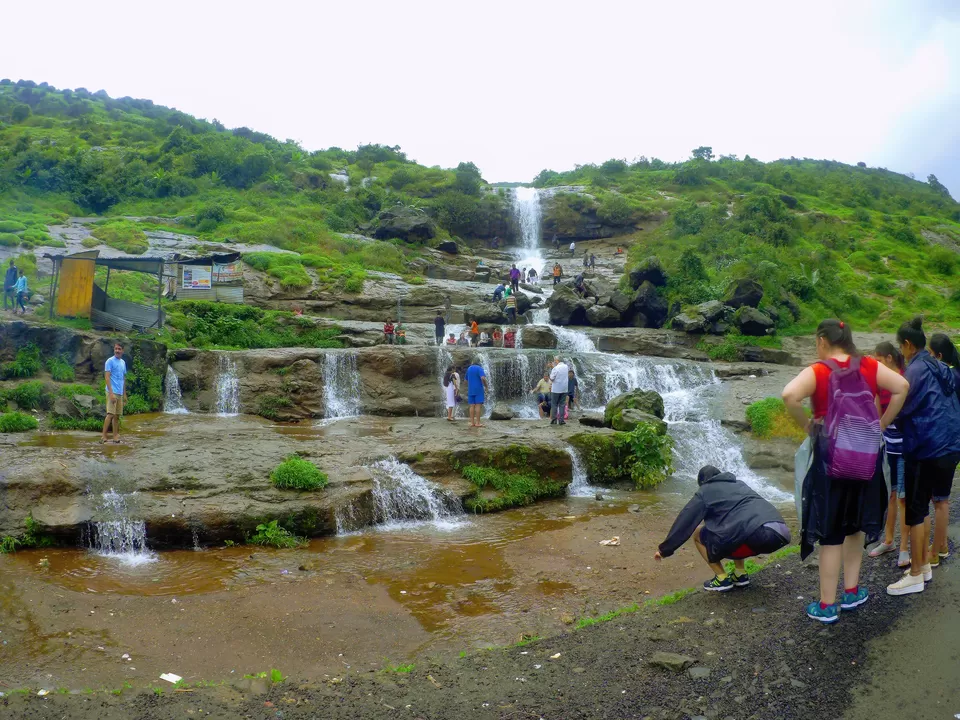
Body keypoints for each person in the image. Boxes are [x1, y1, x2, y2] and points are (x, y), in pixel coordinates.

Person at [782, 319, 908, 621]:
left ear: (823, 340)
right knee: (856, 527)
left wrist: (808, 425)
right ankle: (852, 593)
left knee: (830, 531)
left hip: (830, 454)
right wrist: (882, 424)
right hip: (864, 450)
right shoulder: (867, 365)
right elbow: (902, 387)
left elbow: (789, 395)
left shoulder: (820, 370)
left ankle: (827, 606)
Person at [887, 317, 960, 596]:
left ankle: (916, 574)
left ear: (907, 345)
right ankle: (925, 566)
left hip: (926, 447)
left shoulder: (914, 370)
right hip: (950, 446)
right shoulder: (941, 366)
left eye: (901, 347)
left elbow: (903, 407)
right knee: (933, 502)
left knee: (916, 512)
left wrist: (882, 421)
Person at [654, 465, 791, 591]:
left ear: (702, 482)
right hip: (780, 532)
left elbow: (685, 520)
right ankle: (740, 574)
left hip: (758, 534)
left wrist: (665, 549)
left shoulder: (705, 491)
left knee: (697, 534)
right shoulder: (739, 484)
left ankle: (722, 578)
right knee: (735, 524)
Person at [868, 342, 909, 567]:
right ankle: (889, 540)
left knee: (903, 498)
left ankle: (904, 548)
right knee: (891, 495)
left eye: (879, 360)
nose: (877, 364)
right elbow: (877, 415)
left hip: (904, 447)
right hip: (888, 446)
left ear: (890, 358)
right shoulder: (880, 382)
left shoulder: (902, 380)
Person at [100, 343, 127, 445]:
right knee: (110, 414)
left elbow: (123, 378)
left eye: (119, 349)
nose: (117, 351)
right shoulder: (110, 361)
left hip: (119, 392)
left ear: (122, 350)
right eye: (116, 349)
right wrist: (111, 394)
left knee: (117, 416)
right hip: (112, 391)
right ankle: (103, 436)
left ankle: (115, 436)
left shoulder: (123, 363)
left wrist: (124, 394)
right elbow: (107, 377)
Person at [929, 333, 960, 403]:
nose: (929, 356)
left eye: (930, 352)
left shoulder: (947, 377)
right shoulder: (955, 369)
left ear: (939, 356)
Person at [465, 358, 488, 428]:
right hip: (478, 389)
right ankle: (478, 423)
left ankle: (472, 422)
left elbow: (465, 381)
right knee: (478, 406)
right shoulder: (479, 368)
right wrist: (486, 386)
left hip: (471, 389)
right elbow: (483, 378)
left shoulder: (469, 369)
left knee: (472, 406)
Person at [549, 356, 569, 426]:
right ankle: (561, 420)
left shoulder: (555, 368)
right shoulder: (566, 366)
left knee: (554, 404)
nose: (554, 362)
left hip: (556, 389)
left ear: (557, 360)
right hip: (564, 389)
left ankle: (554, 420)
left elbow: (551, 378)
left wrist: (553, 367)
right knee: (562, 404)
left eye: (555, 361)